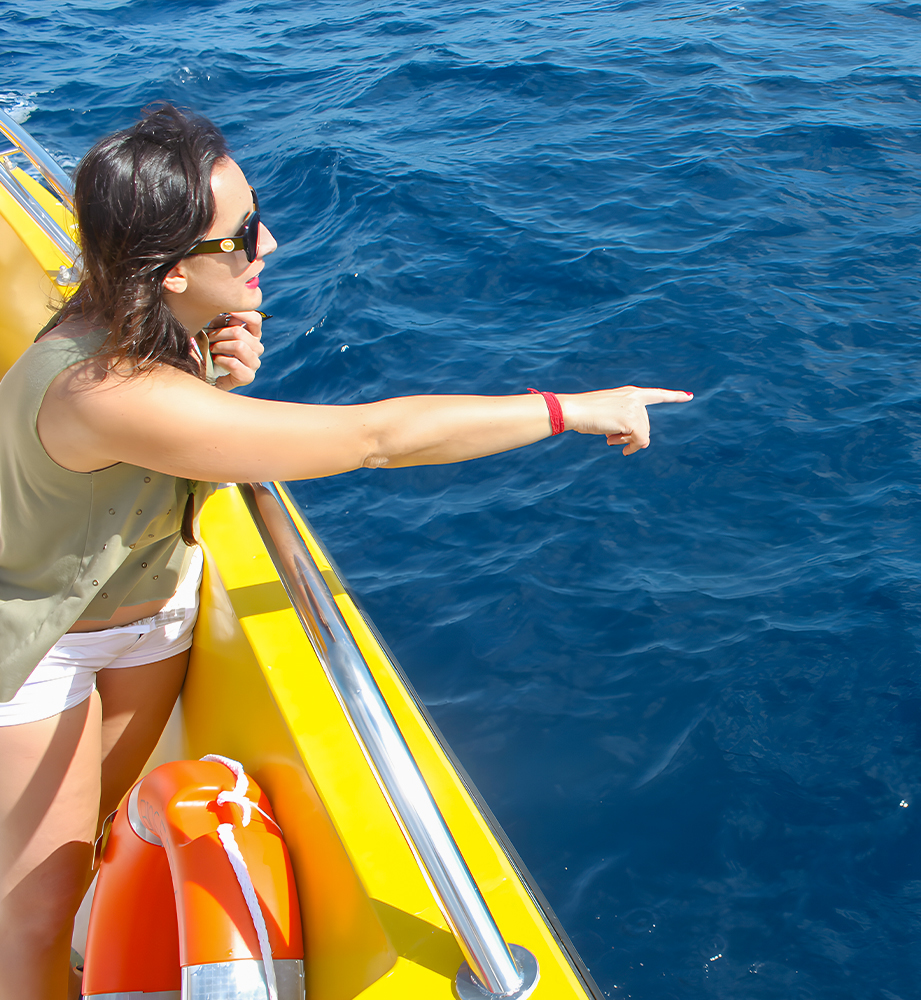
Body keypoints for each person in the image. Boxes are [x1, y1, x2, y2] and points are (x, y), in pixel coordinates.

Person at [0, 103, 692, 998]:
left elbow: (176, 427)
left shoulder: (149, 324)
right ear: (169, 271)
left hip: (152, 619)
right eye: (241, 237)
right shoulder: (98, 389)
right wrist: (574, 407)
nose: (270, 245)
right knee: (35, 916)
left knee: (82, 846)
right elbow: (375, 439)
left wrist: (212, 368)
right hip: (44, 650)